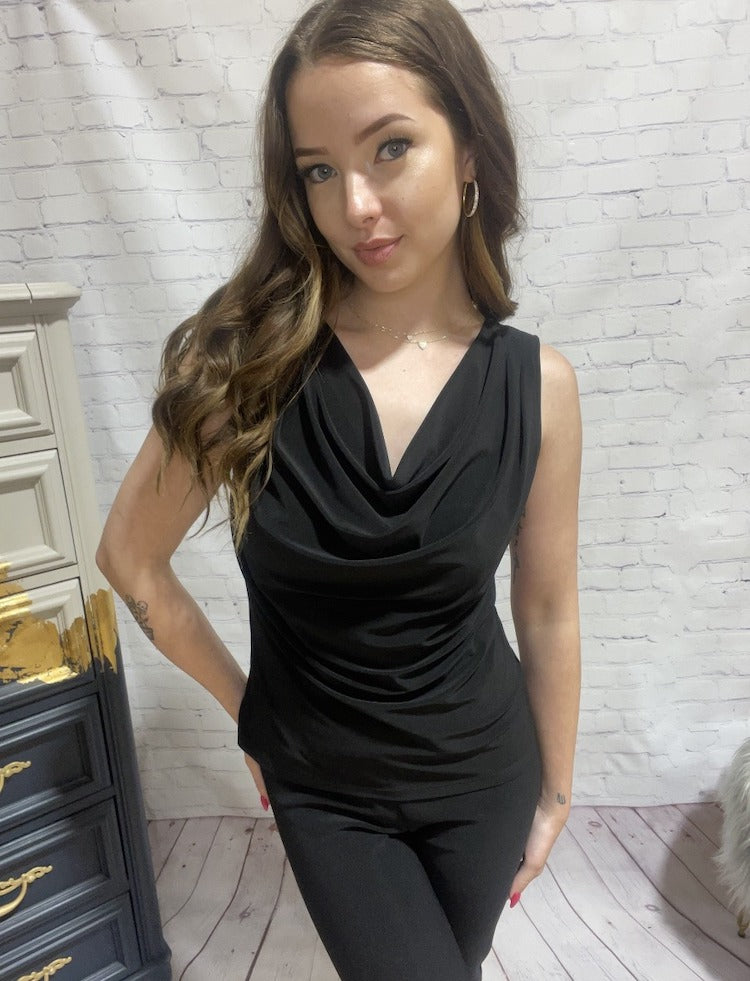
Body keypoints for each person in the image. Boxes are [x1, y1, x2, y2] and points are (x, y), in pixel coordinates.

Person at [97, 1, 582, 978]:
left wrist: (556, 792)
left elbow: (547, 607)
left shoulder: (538, 387)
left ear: (470, 151)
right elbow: (131, 559)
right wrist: (248, 712)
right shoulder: (246, 372)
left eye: (390, 148)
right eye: (319, 170)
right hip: (323, 789)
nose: (354, 204)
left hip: (485, 778)